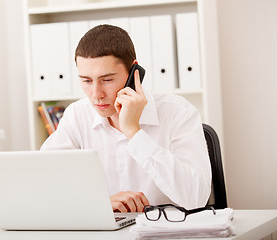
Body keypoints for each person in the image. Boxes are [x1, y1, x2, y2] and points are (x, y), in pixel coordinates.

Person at [41, 24, 211, 212]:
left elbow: (197, 197)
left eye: (107, 80)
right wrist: (100, 203)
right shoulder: (77, 116)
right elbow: (45, 185)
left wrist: (134, 132)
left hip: (167, 231)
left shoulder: (178, 113)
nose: (96, 94)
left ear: (133, 72)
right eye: (86, 81)